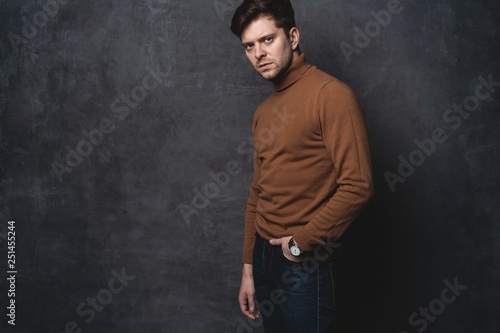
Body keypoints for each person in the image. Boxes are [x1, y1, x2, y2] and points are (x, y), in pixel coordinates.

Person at [230, 0, 374, 331]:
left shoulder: (331, 95)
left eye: (268, 40)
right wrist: (249, 269)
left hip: (305, 264)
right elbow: (258, 191)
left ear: (292, 37)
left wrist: (299, 245)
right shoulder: (263, 112)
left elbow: (359, 186)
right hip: (265, 259)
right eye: (249, 46)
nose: (258, 54)